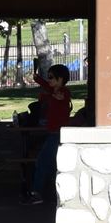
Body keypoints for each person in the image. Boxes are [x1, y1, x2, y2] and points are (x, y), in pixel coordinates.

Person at [30, 63, 73, 202]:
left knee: (42, 162)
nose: (48, 79)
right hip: (53, 132)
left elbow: (61, 96)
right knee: (51, 163)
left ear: (60, 79)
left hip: (57, 134)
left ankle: (36, 192)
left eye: (51, 77)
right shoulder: (52, 90)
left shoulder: (64, 92)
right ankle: (50, 191)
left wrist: (53, 95)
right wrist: (37, 78)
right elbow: (45, 85)